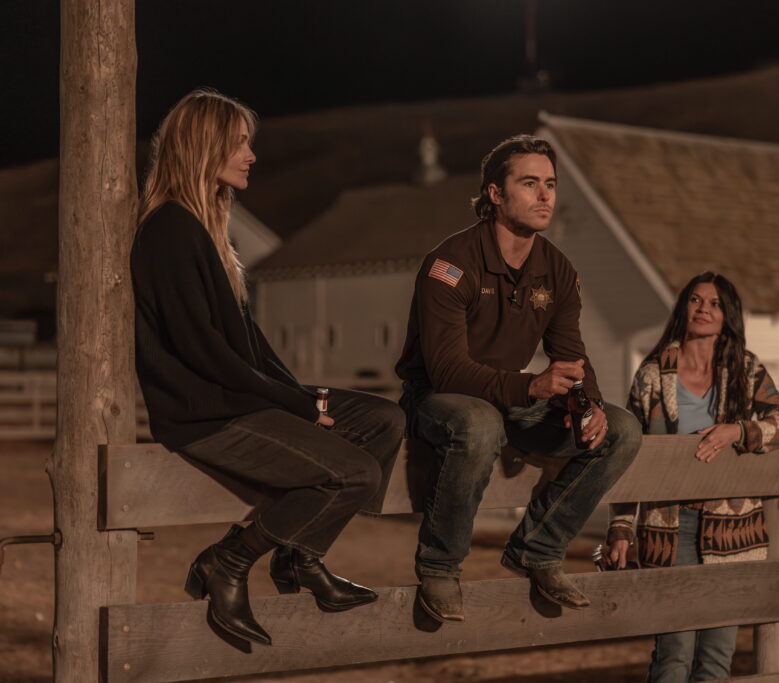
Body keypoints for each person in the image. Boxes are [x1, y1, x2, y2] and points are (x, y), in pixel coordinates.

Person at [131, 89, 404, 646]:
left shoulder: (206, 229)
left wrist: (303, 396)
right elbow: (203, 353)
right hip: (205, 414)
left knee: (385, 420)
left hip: (240, 398)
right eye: (238, 143)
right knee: (355, 473)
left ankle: (301, 558)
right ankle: (227, 561)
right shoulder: (169, 230)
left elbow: (249, 341)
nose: (251, 155)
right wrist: (299, 405)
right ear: (204, 146)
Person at [394, 134, 642, 622]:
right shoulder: (450, 264)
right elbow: (446, 371)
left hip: (510, 397)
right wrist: (530, 386)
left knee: (622, 430)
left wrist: (588, 403)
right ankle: (440, 567)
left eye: (550, 184)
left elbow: (571, 356)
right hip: (439, 399)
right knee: (478, 422)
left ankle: (537, 549)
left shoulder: (558, 269)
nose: (545, 195)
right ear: (495, 194)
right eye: (529, 183)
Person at [605, 272, 779, 682]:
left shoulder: (746, 368)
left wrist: (739, 431)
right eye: (695, 300)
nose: (704, 310)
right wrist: (621, 526)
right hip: (667, 525)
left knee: (716, 658)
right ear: (683, 307)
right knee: (673, 655)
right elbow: (629, 456)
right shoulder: (653, 374)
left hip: (734, 530)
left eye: (714, 304)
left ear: (728, 315)